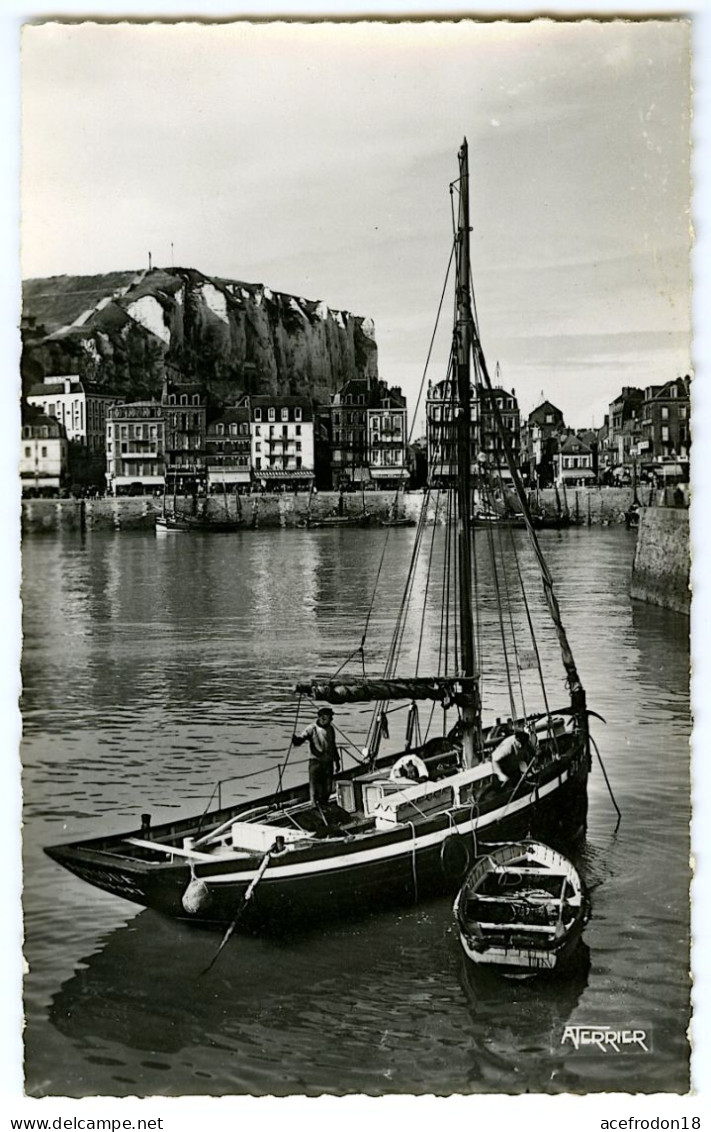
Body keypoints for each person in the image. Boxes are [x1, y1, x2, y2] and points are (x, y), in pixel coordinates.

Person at [293, 707, 341, 806]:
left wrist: (337, 761)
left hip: (328, 762)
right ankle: (314, 805)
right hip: (316, 762)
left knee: (327, 788)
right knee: (315, 787)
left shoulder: (330, 729)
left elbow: (333, 745)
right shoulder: (312, 728)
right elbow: (302, 738)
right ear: (322, 718)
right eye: (330, 717)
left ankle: (324, 804)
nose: (332, 719)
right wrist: (296, 740)